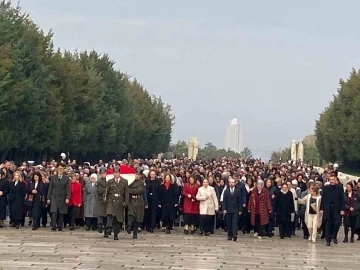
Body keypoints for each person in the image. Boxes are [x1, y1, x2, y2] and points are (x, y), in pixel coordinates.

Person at [320, 174, 345, 246]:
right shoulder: (326, 188)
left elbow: (342, 200)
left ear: (336, 180)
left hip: (336, 209)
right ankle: (328, 240)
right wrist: (322, 209)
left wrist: (342, 209)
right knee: (328, 225)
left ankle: (334, 236)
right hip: (328, 209)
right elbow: (323, 199)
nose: (331, 181)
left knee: (337, 223)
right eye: (330, 180)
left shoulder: (340, 188)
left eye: (333, 179)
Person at [105, 166, 129, 240]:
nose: (116, 174)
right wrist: (106, 200)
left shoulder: (124, 181)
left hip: (120, 200)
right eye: (114, 172)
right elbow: (107, 191)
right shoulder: (110, 181)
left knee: (117, 219)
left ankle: (116, 233)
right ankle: (108, 228)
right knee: (109, 213)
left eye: (117, 172)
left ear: (119, 173)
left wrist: (126, 202)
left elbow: (126, 193)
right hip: (111, 200)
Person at [47, 165, 71, 231]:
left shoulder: (66, 178)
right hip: (54, 196)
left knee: (61, 212)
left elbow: (68, 189)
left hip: (62, 197)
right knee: (54, 212)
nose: (60, 171)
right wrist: (48, 198)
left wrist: (67, 198)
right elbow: (50, 188)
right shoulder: (53, 178)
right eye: (59, 170)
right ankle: (53, 226)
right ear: (57, 170)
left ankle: (60, 226)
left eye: (61, 170)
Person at [127, 172, 147, 239]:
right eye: (136, 174)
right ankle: (129, 226)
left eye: (138, 175)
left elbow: (139, 191)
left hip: (139, 201)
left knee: (137, 218)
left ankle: (135, 233)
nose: (137, 176)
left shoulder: (142, 183)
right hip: (132, 201)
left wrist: (130, 190)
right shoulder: (131, 182)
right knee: (130, 214)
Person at [95, 167, 107, 234]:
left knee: (106, 216)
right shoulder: (99, 182)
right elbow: (99, 190)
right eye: (102, 173)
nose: (103, 175)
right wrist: (106, 190)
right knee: (100, 214)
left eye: (104, 173)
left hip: (107, 200)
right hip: (101, 199)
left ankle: (106, 229)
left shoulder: (108, 180)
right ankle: (99, 225)